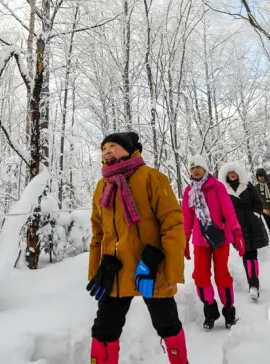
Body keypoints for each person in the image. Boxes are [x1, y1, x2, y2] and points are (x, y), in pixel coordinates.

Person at [88, 132, 188, 364]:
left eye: (113, 146)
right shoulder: (102, 186)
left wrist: (170, 271)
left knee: (167, 324)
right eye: (103, 148)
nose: (107, 151)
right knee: (104, 329)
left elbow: (172, 226)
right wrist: (96, 270)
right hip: (115, 271)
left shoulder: (152, 178)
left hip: (151, 268)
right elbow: (98, 232)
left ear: (129, 149)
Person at [182, 155, 244, 330]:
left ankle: (229, 312)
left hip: (220, 239)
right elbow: (187, 218)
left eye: (198, 167)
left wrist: (237, 232)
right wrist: (184, 240)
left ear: (205, 168)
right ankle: (210, 310)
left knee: (222, 275)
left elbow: (229, 211)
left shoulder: (217, 187)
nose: (195, 170)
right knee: (200, 276)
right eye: (192, 168)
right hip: (200, 241)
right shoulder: (188, 192)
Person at [218, 163, 269, 301]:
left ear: (238, 173)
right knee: (245, 254)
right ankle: (252, 283)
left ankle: (253, 285)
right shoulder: (224, 190)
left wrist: (256, 214)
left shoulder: (248, 185)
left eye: (234, 172)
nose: (232, 175)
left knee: (252, 254)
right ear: (226, 176)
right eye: (229, 173)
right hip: (237, 226)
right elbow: (223, 209)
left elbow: (259, 202)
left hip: (252, 224)